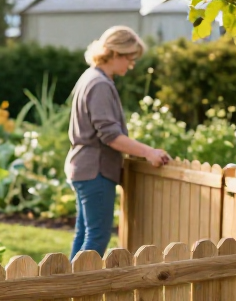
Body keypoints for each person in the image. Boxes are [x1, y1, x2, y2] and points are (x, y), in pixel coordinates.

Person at [66, 26, 171, 258]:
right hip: (95, 169)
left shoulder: (91, 76)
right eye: (130, 58)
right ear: (115, 53)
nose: (131, 65)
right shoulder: (100, 84)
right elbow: (110, 136)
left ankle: (67, 290)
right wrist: (148, 152)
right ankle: (81, 291)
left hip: (84, 167)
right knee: (97, 236)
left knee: (84, 233)